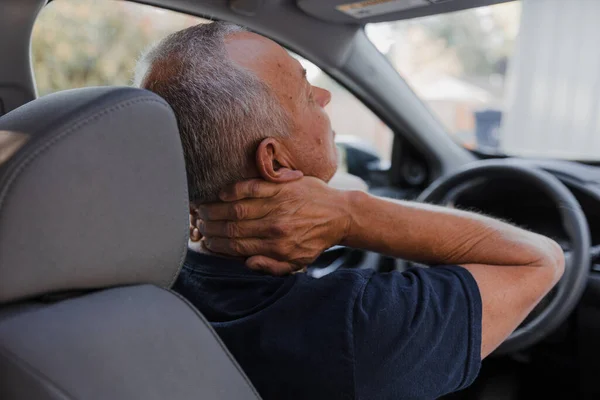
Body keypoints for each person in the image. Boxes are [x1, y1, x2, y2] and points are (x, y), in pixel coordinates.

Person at [135, 22, 564, 400]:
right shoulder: (360, 327)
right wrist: (349, 216)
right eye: (306, 94)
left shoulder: (142, 287)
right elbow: (540, 259)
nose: (323, 95)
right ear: (276, 163)